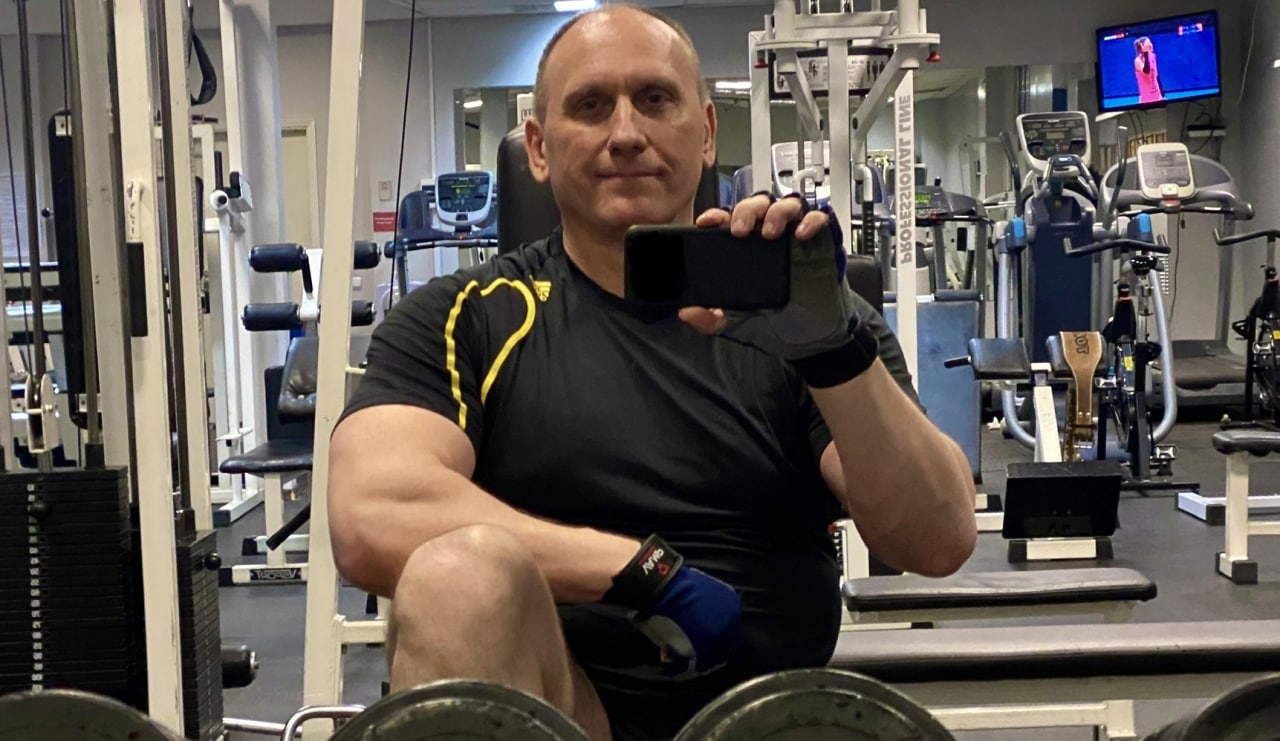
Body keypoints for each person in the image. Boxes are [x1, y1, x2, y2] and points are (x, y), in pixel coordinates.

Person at [327, 5, 978, 740]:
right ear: (538, 148)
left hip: (772, 721)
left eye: (656, 99)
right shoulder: (466, 316)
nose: (626, 133)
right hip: (559, 715)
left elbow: (938, 539)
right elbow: (373, 512)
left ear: (706, 132)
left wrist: (835, 358)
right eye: (590, 106)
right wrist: (645, 572)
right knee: (457, 577)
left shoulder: (809, 315)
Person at [1134, 36, 1163, 104]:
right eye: (1148, 43)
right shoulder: (1137, 60)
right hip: (1146, 101)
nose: (1151, 45)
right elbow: (1146, 71)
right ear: (1142, 46)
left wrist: (1162, 96)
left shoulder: (1153, 56)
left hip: (1158, 98)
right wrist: (1146, 53)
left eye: (1151, 42)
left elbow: (1156, 76)